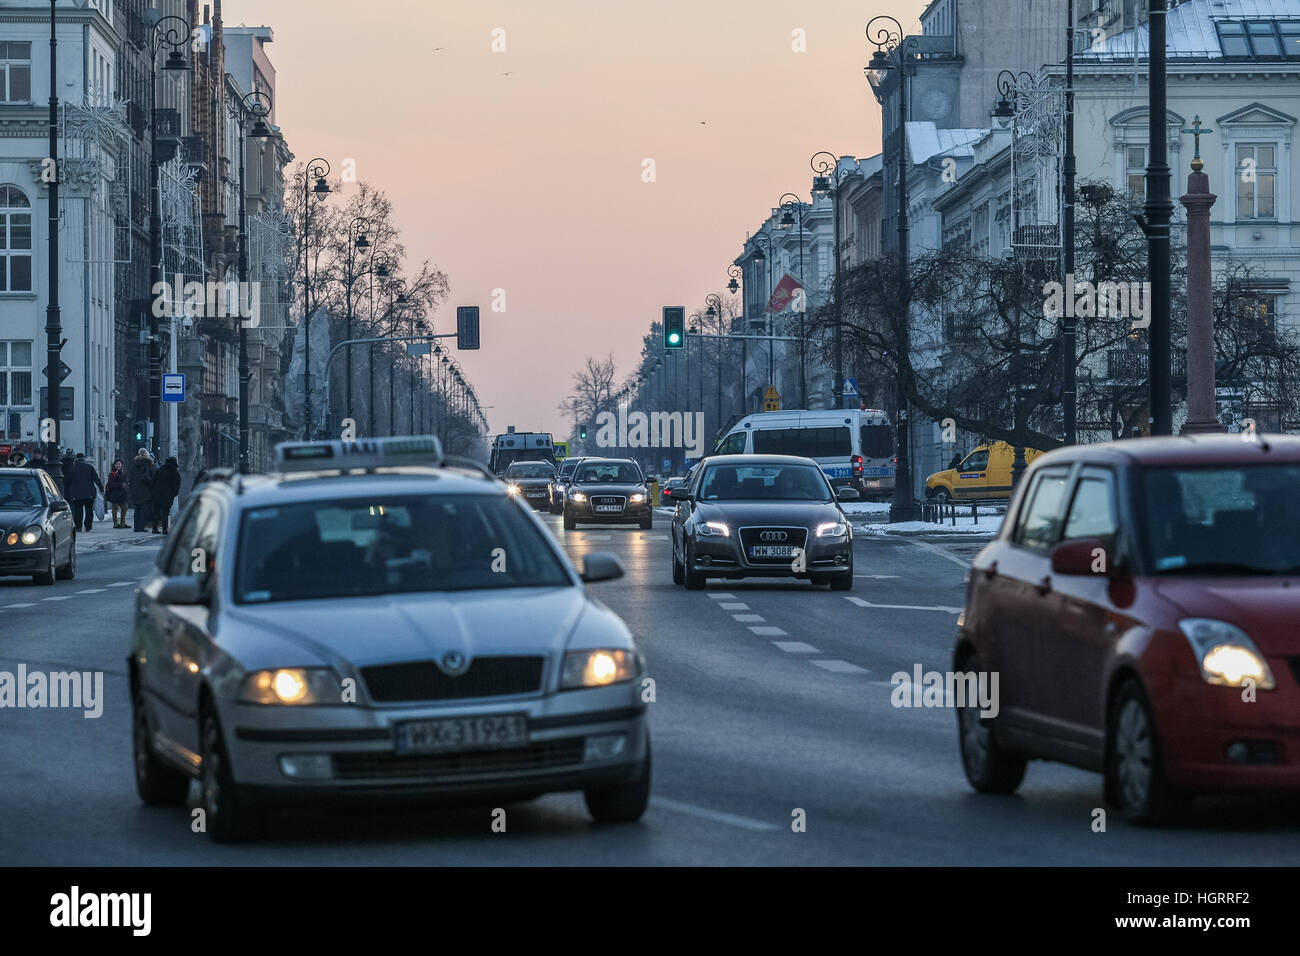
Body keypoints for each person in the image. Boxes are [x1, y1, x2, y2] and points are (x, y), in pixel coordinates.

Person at [65, 452, 104, 532]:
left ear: (76, 459)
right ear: (84, 459)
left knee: (78, 511)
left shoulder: (72, 469)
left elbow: (66, 482)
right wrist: (101, 488)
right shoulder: (89, 467)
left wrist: (68, 493)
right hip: (89, 493)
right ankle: (88, 526)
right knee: (89, 510)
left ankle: (78, 526)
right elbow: (96, 479)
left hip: (76, 494)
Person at [151, 456, 181, 534]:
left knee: (156, 512)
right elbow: (176, 485)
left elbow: (153, 481)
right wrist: (174, 494)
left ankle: (154, 529)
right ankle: (165, 529)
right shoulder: (175, 472)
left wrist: (154, 492)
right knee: (165, 513)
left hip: (157, 495)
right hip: (168, 496)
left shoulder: (160, 470)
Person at [128, 449, 155, 532]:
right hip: (145, 490)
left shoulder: (134, 465)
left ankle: (136, 527)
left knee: (137, 509)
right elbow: (151, 478)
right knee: (143, 509)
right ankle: (141, 527)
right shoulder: (148, 465)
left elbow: (130, 478)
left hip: (135, 490)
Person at [105, 459, 129, 528]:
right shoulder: (112, 474)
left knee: (125, 507)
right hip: (114, 494)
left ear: (121, 465)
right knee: (115, 509)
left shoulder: (123, 473)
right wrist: (121, 485)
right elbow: (111, 484)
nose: (118, 465)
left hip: (122, 494)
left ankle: (123, 523)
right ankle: (115, 523)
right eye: (117, 464)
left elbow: (125, 482)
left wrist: (126, 485)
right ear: (114, 465)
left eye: (119, 464)